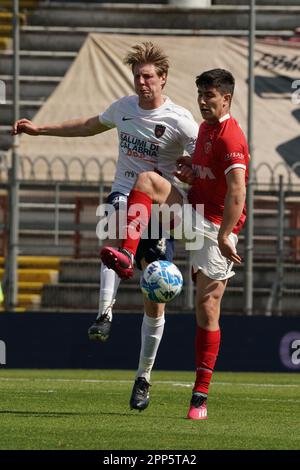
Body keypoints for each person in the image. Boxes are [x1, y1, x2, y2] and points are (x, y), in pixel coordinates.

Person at [12, 42, 198, 412]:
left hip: (160, 209)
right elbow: (88, 125)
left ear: (163, 79)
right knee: (114, 220)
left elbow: (200, 155)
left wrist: (191, 167)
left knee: (154, 299)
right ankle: (104, 312)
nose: (142, 82)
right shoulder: (123, 108)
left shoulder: (180, 119)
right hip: (126, 194)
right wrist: (40, 129)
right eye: (137, 76)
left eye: (148, 76)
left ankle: (143, 377)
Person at [100, 68, 249, 420]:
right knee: (149, 180)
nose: (203, 101)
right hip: (193, 214)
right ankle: (127, 253)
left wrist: (227, 234)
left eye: (210, 96)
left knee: (207, 309)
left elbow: (238, 190)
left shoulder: (231, 138)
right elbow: (204, 176)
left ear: (225, 99)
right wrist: (189, 171)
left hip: (214, 229)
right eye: (200, 95)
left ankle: (200, 396)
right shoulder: (204, 129)